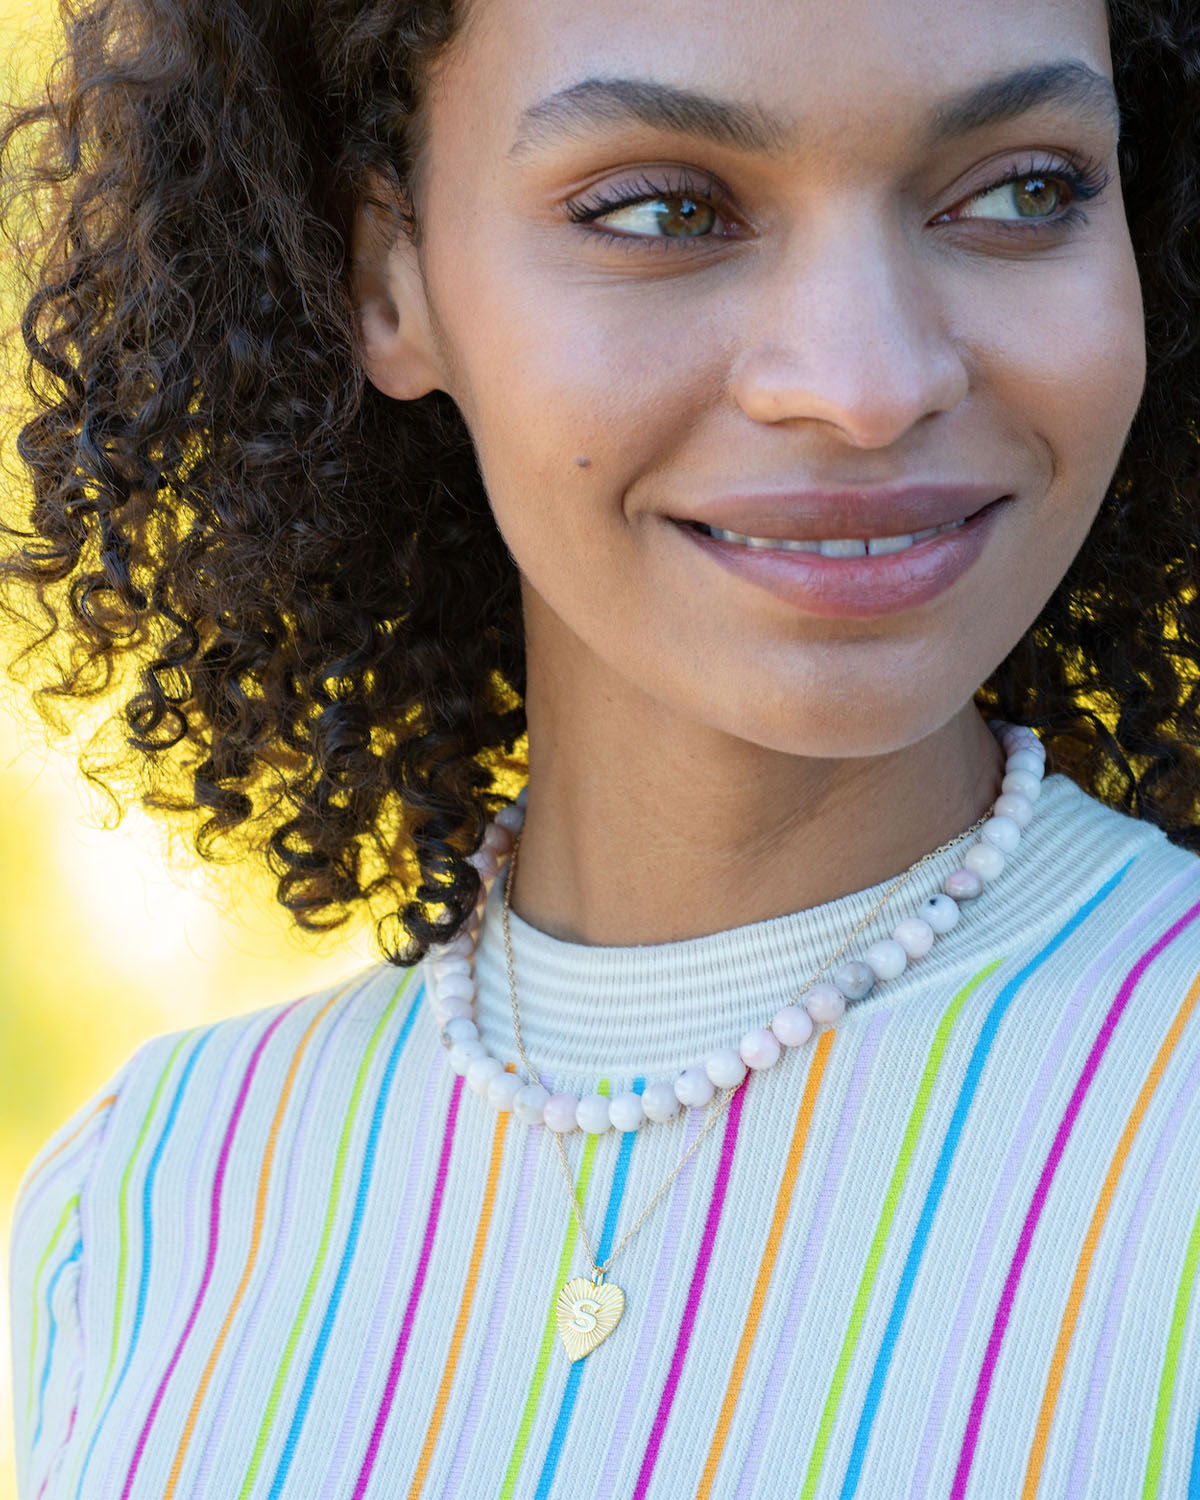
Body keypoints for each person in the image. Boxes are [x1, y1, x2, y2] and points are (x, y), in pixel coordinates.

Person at [4, 0, 1200, 1494]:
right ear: (391, 273)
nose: (869, 380)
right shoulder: (142, 1206)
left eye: (1027, 189)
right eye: (661, 211)